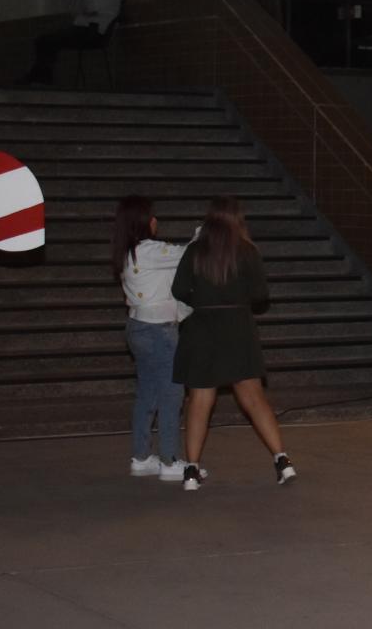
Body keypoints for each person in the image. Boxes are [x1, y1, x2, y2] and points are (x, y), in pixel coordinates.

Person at [170, 196, 296, 492]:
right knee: (253, 397)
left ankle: (191, 471)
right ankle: (282, 461)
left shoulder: (195, 250)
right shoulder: (247, 250)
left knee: (199, 401)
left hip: (202, 329)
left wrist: (202, 301)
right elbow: (261, 293)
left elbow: (178, 289)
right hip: (238, 327)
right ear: (237, 219)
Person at [112, 195, 189, 481]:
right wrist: (203, 234)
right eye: (152, 215)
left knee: (147, 393)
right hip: (159, 330)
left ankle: (141, 456)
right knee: (172, 393)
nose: (157, 220)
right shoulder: (149, 250)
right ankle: (169, 461)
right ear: (143, 221)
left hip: (137, 326)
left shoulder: (127, 252)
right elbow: (188, 254)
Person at [19, 0, 123, 86]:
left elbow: (92, 7)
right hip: (84, 30)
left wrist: (88, 10)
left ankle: (39, 77)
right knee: (44, 41)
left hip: (92, 33)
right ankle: (41, 76)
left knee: (47, 41)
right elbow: (88, 9)